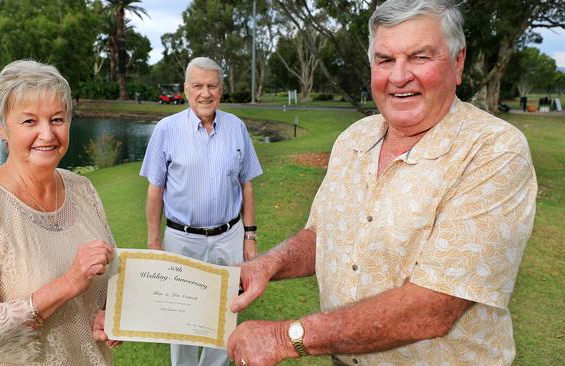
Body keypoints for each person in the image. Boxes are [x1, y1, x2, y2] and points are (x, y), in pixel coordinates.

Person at [226, 1, 537, 365]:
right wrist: (267, 265)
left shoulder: (494, 150)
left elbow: (435, 306)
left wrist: (285, 337)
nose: (399, 76)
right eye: (385, 60)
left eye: (420, 57)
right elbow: (323, 234)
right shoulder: (353, 139)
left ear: (458, 62)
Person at [0, 60, 119, 365]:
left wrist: (111, 314)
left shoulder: (83, 189)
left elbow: (107, 280)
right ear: (1, 127)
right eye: (30, 121)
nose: (47, 134)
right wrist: (66, 285)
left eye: (57, 119)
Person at [140, 56, 263, 366]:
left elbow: (246, 185)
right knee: (180, 316)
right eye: (198, 86)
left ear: (221, 90)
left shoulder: (237, 127)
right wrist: (154, 243)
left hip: (229, 236)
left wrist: (250, 236)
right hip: (182, 240)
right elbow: (156, 191)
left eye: (212, 86)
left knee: (225, 311)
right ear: (185, 89)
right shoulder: (166, 130)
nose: (205, 93)